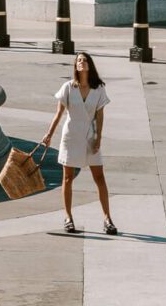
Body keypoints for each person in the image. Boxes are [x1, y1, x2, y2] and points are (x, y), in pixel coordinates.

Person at [42, 51, 117, 235]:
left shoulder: (98, 89)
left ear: (89, 65)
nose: (81, 63)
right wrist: (49, 134)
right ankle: (68, 217)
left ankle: (107, 219)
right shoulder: (68, 87)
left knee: (99, 177)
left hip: (90, 137)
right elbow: (59, 113)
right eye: (78, 61)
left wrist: (99, 137)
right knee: (67, 178)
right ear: (75, 66)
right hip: (71, 137)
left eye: (84, 60)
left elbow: (100, 115)